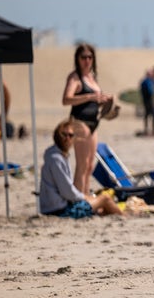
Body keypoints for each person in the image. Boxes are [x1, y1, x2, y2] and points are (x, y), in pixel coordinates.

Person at [39, 119, 122, 218]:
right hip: (60, 210)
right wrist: (85, 197)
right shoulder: (56, 159)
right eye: (63, 135)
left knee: (101, 208)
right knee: (105, 199)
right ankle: (125, 217)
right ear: (57, 136)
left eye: (70, 135)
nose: (67, 138)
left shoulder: (55, 155)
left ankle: (122, 216)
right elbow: (67, 192)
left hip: (54, 208)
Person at [62, 42, 112, 195]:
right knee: (82, 164)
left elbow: (95, 99)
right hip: (79, 121)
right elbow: (66, 99)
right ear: (77, 58)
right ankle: (79, 198)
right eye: (83, 57)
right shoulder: (75, 77)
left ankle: (86, 196)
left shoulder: (92, 77)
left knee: (90, 164)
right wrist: (89, 96)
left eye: (90, 57)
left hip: (93, 122)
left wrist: (105, 100)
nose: (87, 60)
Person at [140, 66, 154, 136]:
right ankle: (152, 131)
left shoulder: (146, 81)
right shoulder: (147, 81)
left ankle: (147, 131)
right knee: (153, 115)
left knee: (147, 115)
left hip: (146, 101)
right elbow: (150, 91)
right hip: (149, 100)